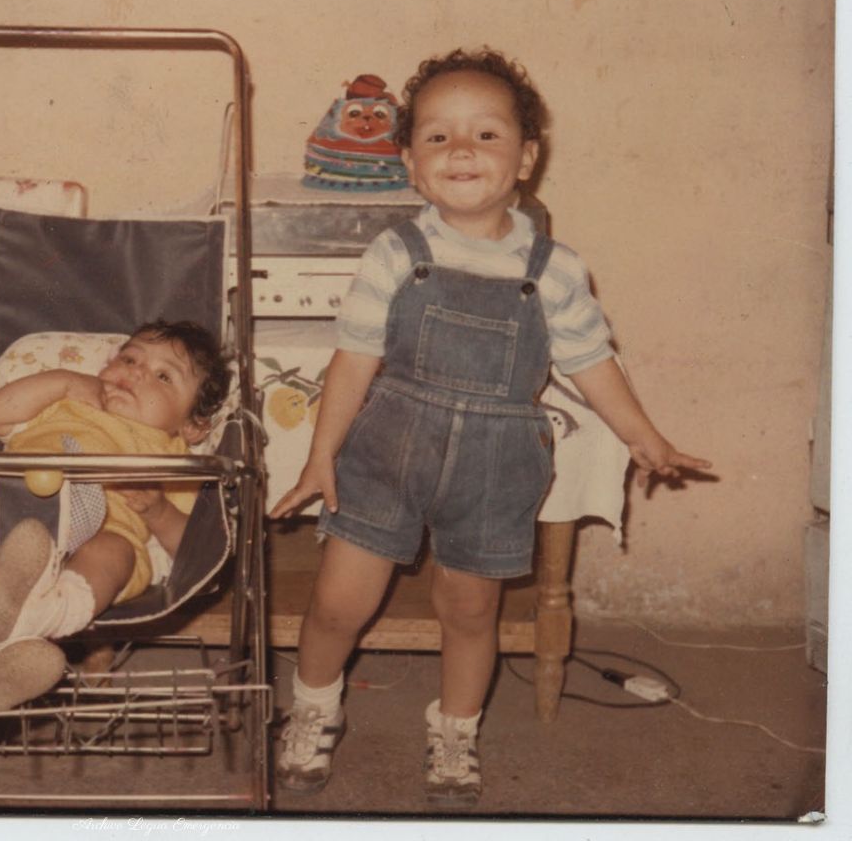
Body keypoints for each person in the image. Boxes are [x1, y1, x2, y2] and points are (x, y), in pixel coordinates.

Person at [270, 48, 711, 806]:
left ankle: (455, 729)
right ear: (410, 165)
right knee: (337, 604)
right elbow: (353, 358)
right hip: (387, 452)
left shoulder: (555, 269)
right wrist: (321, 456)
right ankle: (314, 708)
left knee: (471, 610)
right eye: (438, 137)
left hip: (493, 463)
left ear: (526, 158)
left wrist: (644, 437)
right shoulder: (393, 253)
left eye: (486, 134)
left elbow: (591, 361)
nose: (462, 150)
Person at [0, 319, 231, 715]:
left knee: (115, 553)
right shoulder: (63, 404)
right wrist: (65, 383)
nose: (136, 373)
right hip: (6, 510)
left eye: (163, 376)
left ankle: (35, 620)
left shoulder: (172, 456)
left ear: (193, 426)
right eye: (129, 359)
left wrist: (158, 510)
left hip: (102, 533)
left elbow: (194, 547)